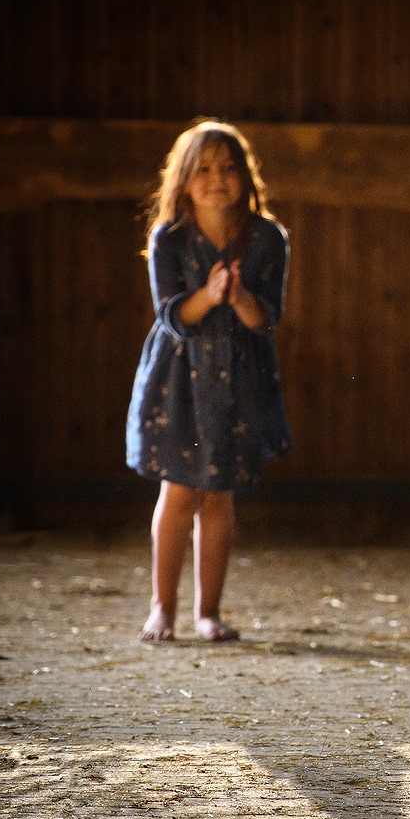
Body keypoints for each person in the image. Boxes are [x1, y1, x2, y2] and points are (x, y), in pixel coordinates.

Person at [126, 120, 291, 642]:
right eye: (203, 169)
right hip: (180, 381)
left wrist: (240, 299)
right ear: (183, 179)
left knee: (218, 496)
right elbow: (171, 314)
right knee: (179, 492)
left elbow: (268, 317)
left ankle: (208, 613)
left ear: (245, 176)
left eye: (227, 168)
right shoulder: (169, 237)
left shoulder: (267, 238)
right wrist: (211, 293)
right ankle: (162, 608)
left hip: (238, 383)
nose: (216, 178)